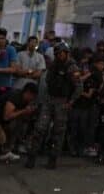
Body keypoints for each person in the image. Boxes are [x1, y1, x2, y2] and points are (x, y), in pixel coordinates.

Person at [26, 41, 81, 169]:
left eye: (61, 53)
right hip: (49, 99)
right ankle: (32, 156)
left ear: (66, 53)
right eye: (57, 53)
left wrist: (71, 102)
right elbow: (47, 81)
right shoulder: (53, 65)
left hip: (62, 102)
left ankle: (53, 158)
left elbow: (78, 87)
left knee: (58, 131)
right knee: (40, 128)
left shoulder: (72, 67)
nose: (59, 55)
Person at [0, 83, 38, 162]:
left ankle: (3, 151)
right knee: (0, 137)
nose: (32, 99)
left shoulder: (24, 101)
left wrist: (28, 112)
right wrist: (24, 111)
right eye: (33, 96)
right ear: (28, 93)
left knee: (17, 125)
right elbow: (7, 116)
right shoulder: (15, 96)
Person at [0, 28, 19, 98]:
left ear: (5, 39)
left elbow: (13, 69)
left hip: (5, 84)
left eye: (2, 38)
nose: (0, 40)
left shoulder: (11, 49)